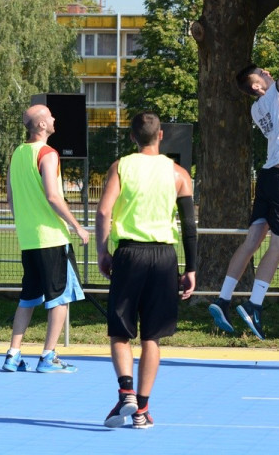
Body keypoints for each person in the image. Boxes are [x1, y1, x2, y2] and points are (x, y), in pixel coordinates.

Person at [207, 0, 279, 340]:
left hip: (267, 175)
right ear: (256, 85)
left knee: (252, 241)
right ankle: (254, 305)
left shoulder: (256, 108)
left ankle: (223, 300)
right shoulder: (273, 95)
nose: (268, 72)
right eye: (263, 74)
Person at [96, 112, 197, 429]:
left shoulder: (121, 167)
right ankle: (142, 409)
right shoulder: (179, 173)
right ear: (161, 135)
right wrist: (191, 268)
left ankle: (126, 391)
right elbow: (190, 227)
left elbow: (104, 211)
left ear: (132, 137)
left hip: (129, 253)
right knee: (152, 336)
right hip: (164, 256)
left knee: (120, 331)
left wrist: (102, 251)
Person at [2, 104, 90, 374]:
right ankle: (48, 357)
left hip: (29, 240)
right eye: (50, 116)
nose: (54, 118)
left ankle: (13, 354)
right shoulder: (47, 153)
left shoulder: (17, 154)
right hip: (52, 238)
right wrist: (77, 226)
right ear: (41, 125)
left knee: (28, 298)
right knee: (60, 299)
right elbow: (53, 196)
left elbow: (10, 198)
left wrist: (24, 223)